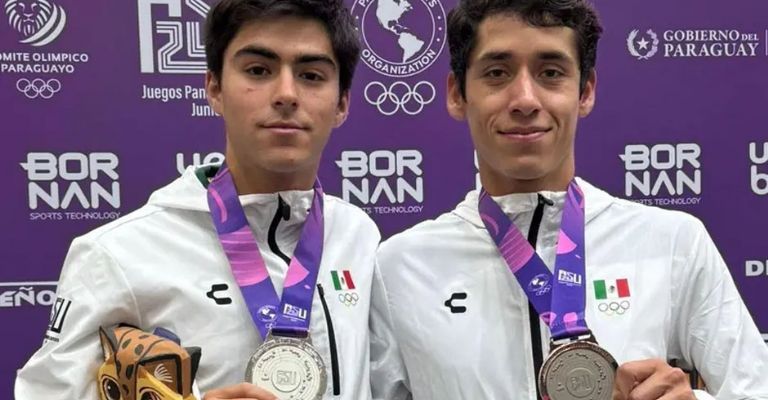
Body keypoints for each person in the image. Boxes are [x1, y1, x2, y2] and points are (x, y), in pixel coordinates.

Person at [369, 1, 768, 399]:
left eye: (551, 73)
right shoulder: (400, 266)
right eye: (496, 73)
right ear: (457, 94)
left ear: (585, 91)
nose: (525, 99)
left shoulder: (672, 241)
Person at [16, 1, 378, 399]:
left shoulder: (358, 235)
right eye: (259, 70)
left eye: (311, 75)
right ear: (215, 89)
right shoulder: (116, 254)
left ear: (342, 102)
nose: (286, 94)